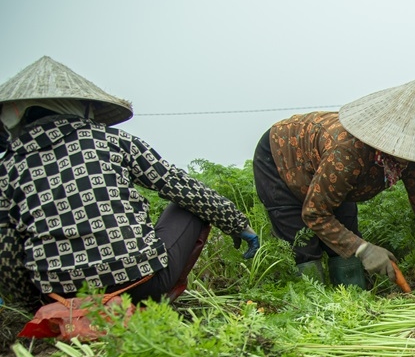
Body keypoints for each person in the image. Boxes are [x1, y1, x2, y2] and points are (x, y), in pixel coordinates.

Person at [0, 56, 259, 314]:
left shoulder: (8, 168)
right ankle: (155, 303)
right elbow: (181, 185)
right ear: (82, 107)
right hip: (138, 287)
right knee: (188, 203)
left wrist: (30, 307)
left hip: (60, 300)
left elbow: (7, 254)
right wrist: (237, 223)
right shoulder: (111, 140)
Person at [252, 79, 415, 290]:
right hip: (281, 160)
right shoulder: (347, 152)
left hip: (331, 177)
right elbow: (315, 213)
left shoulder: (410, 161)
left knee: (345, 239)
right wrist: (364, 250)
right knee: (302, 244)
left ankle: (353, 302)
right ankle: (313, 309)